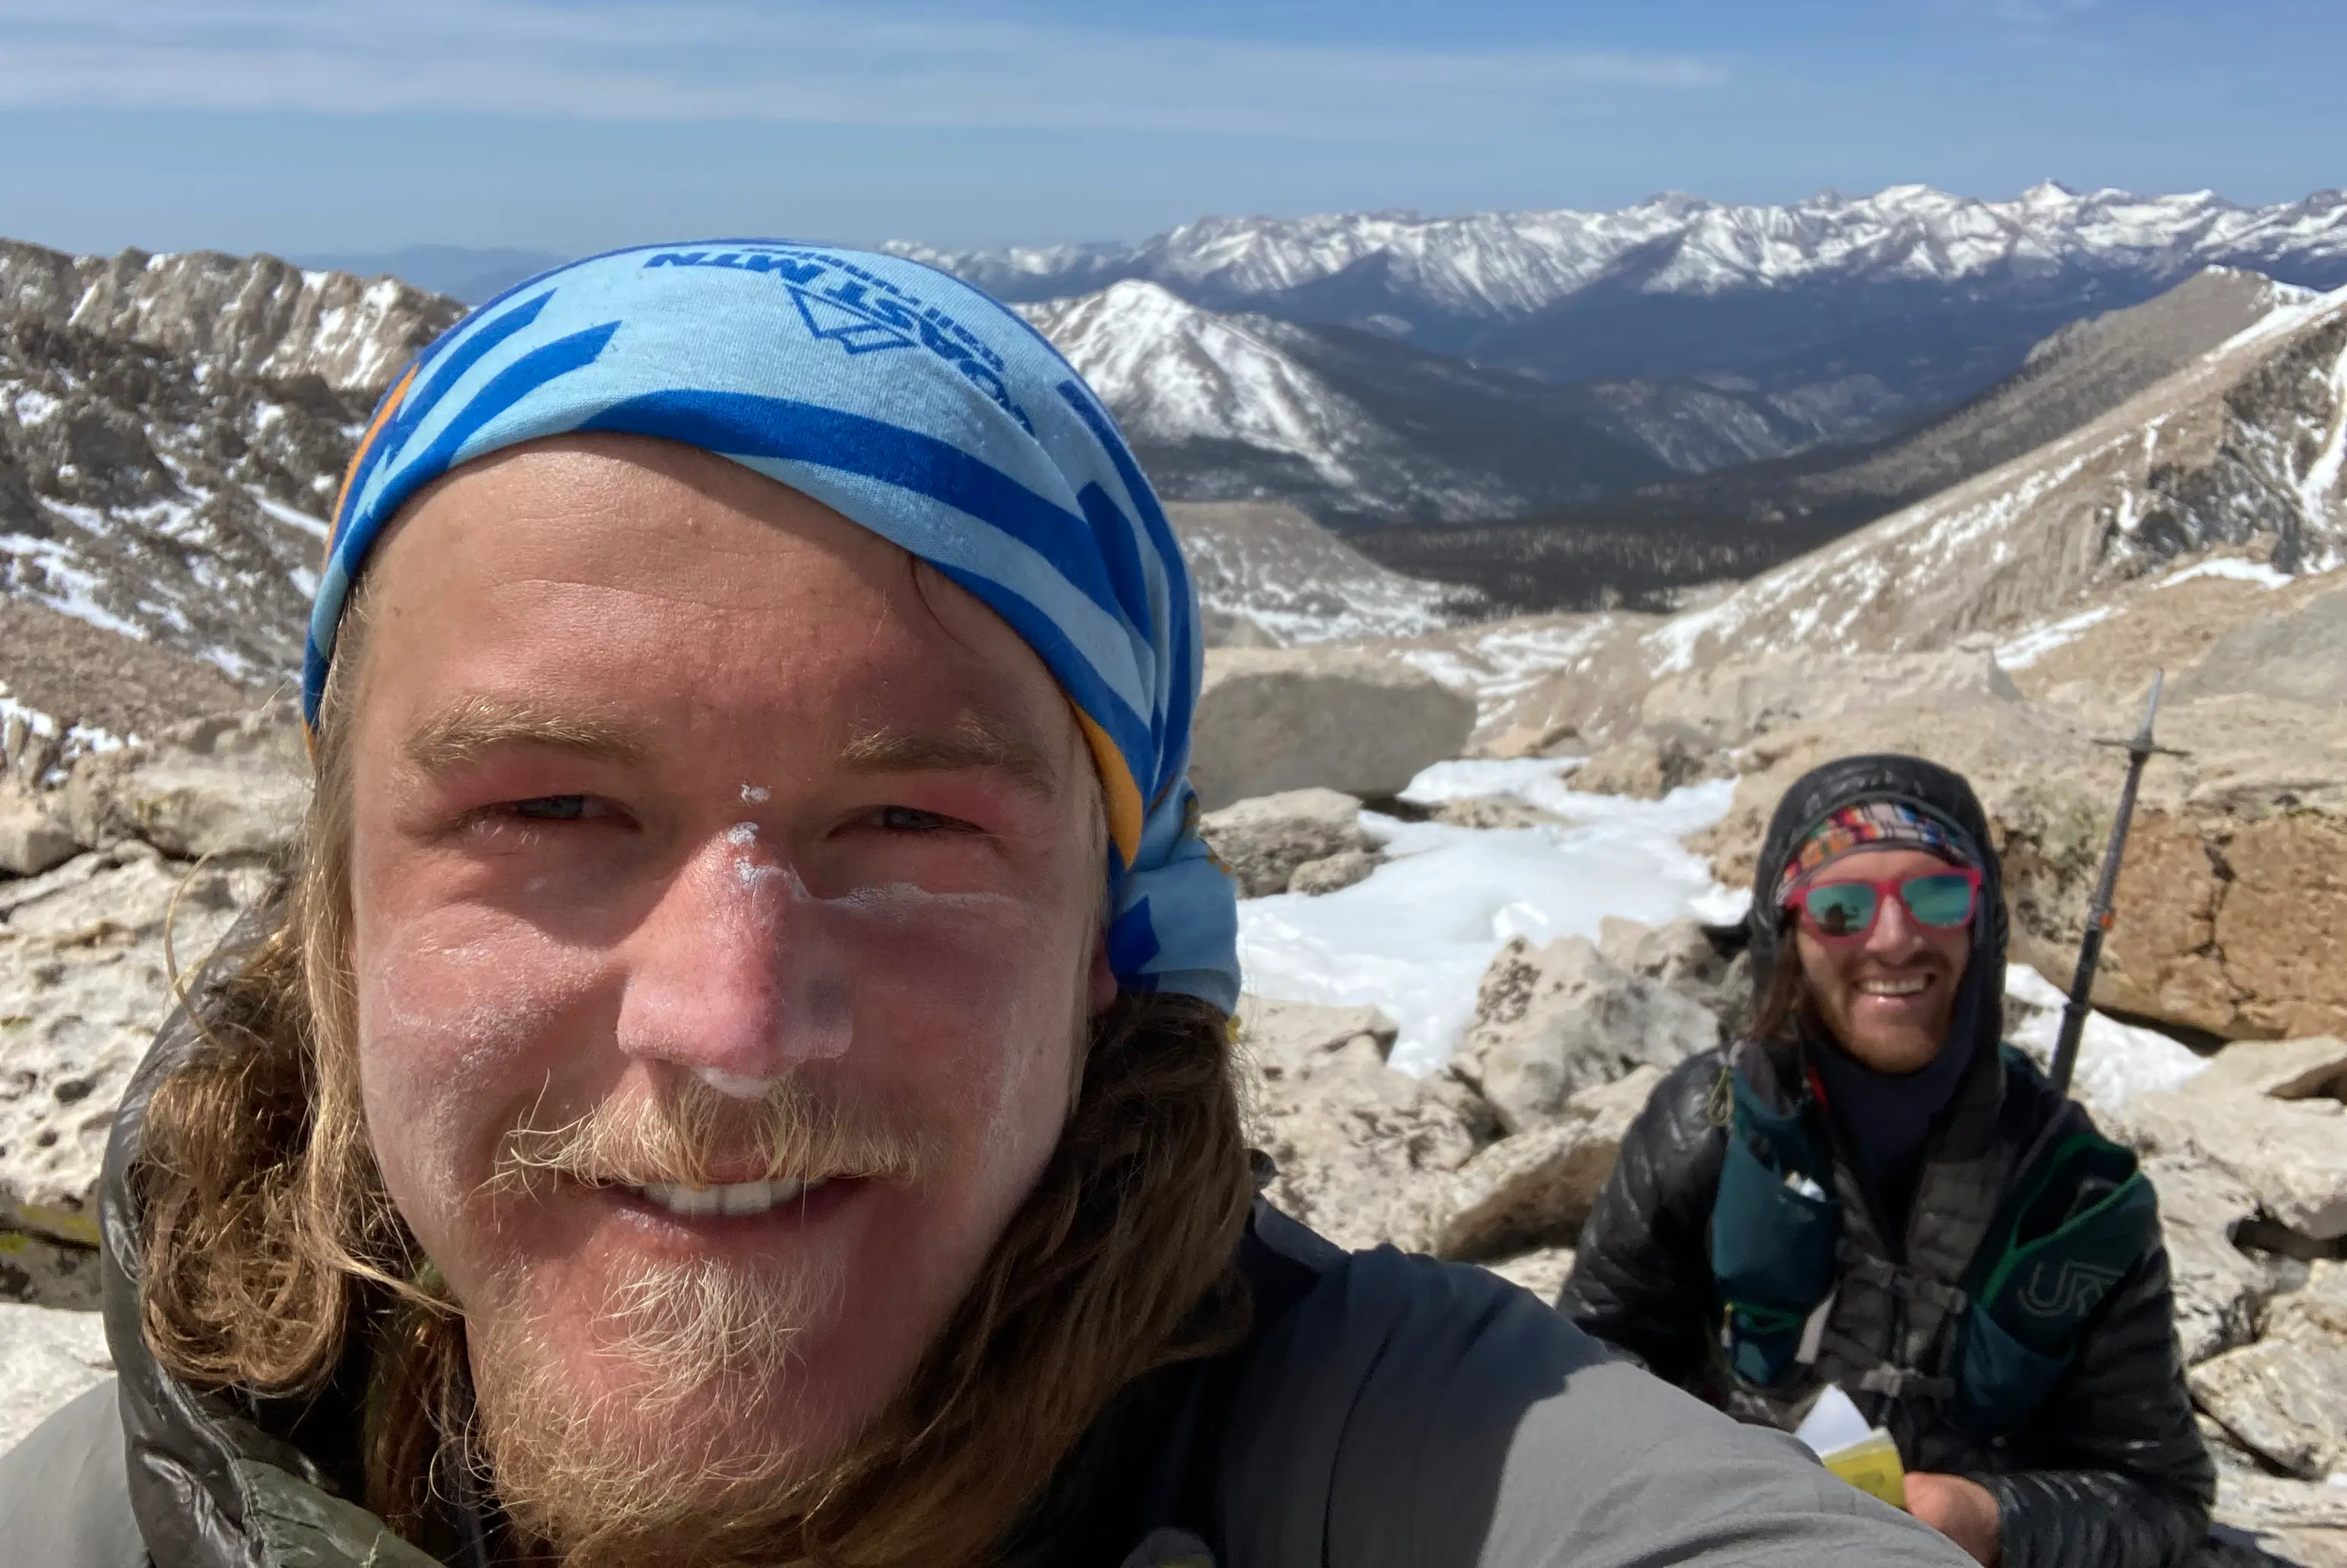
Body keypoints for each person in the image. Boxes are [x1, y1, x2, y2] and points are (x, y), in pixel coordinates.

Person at [0, 243, 1970, 1568]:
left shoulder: (1369, 1455)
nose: (732, 1017)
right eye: (550, 803)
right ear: (332, 915)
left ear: (1117, 947)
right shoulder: (114, 1515)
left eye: (915, 824)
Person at [1560, 754, 2215, 1568]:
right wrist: (1702, 1482)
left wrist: (1990, 1518)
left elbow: (2161, 1492)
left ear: (1981, 923)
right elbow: (1586, 1368)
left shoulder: (2078, 1193)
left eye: (1937, 896)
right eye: (1841, 907)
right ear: (1788, 934)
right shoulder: (1709, 1125)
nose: (1894, 938)